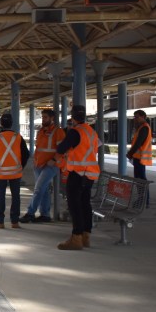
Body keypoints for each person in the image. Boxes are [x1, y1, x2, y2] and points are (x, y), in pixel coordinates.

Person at [56, 104, 100, 250]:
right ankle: (86, 236)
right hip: (90, 174)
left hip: (78, 173)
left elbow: (61, 148)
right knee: (85, 204)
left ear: (73, 117)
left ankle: (76, 237)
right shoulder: (91, 132)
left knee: (75, 205)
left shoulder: (75, 132)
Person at [19, 108, 65, 223]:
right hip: (39, 164)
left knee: (38, 189)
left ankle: (30, 213)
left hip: (51, 165)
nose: (43, 119)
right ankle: (45, 214)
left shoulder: (58, 132)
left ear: (52, 118)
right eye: (42, 117)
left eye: (45, 117)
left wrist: (54, 159)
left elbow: (62, 149)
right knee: (43, 190)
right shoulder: (41, 131)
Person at [0, 113, 29, 229]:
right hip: (16, 173)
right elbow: (26, 154)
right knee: (16, 196)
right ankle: (15, 222)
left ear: (1, 123)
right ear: (12, 123)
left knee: (1, 196)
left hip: (0, 173)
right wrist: (20, 166)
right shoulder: (18, 137)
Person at [127, 109, 152, 208]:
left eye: (137, 117)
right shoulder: (140, 127)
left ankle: (144, 201)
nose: (135, 119)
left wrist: (130, 153)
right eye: (134, 117)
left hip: (140, 158)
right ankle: (142, 200)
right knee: (139, 180)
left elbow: (138, 143)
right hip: (137, 158)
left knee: (141, 180)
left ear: (143, 117)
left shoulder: (144, 128)